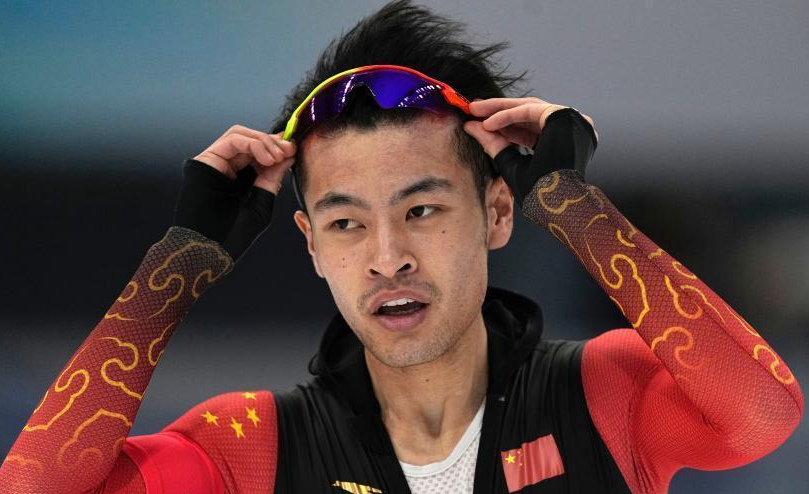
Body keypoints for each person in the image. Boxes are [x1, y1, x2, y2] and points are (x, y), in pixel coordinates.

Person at [0, 1, 802, 493]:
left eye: (420, 209)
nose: (387, 257)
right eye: (346, 223)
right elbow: (35, 487)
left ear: (497, 213)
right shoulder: (250, 449)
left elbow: (760, 415)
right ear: (312, 247)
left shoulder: (601, 394)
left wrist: (572, 204)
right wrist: (181, 260)